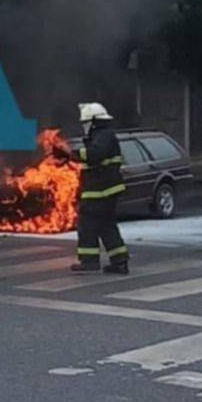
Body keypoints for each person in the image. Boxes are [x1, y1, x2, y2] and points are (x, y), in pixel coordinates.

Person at [67, 102, 129, 274]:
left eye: (85, 123)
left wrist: (73, 154)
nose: (84, 126)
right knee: (106, 225)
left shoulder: (102, 136)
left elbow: (95, 155)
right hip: (105, 190)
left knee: (87, 224)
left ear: (94, 121)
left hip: (99, 191)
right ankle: (119, 261)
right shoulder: (103, 135)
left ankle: (89, 261)